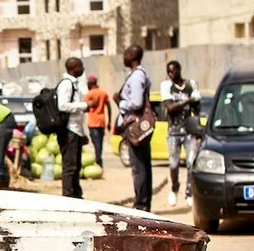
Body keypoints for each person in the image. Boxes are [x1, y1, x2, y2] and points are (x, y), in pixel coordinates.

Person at [113, 46, 153, 211]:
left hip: (136, 126)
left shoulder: (136, 77)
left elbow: (136, 103)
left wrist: (119, 101)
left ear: (132, 56)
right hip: (135, 125)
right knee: (142, 165)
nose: (123, 57)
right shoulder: (138, 74)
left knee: (139, 167)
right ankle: (143, 202)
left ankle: (141, 204)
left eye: (125, 54)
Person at [161, 60, 201, 208]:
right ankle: (174, 187)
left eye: (173, 71)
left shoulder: (190, 85)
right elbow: (170, 107)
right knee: (173, 164)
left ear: (179, 70)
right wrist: (189, 100)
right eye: (169, 72)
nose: (171, 74)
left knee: (191, 163)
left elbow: (197, 108)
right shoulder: (167, 86)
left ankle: (189, 193)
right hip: (173, 131)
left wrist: (197, 125)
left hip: (189, 131)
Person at [55, 58, 88, 199]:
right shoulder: (66, 84)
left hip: (75, 130)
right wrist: (84, 105)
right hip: (68, 131)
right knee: (70, 167)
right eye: (81, 66)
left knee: (76, 166)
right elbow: (62, 105)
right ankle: (69, 197)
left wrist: (83, 133)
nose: (83, 68)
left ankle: (76, 195)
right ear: (74, 68)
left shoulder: (74, 84)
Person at [84, 74, 110, 168]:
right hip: (102, 121)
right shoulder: (103, 93)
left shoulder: (89, 94)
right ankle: (99, 160)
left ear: (90, 84)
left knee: (96, 143)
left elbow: (86, 108)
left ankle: (98, 161)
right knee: (100, 142)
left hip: (93, 122)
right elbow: (109, 107)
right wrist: (110, 121)